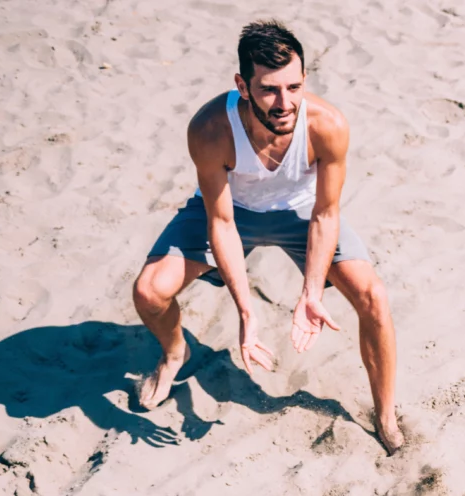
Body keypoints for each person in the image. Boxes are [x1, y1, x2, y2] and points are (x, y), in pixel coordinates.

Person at [133, 20, 403, 454]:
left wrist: (311, 292)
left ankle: (386, 413)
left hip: (300, 214)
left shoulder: (327, 125)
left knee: (373, 297)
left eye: (294, 87)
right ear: (243, 85)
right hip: (231, 211)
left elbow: (325, 212)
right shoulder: (210, 129)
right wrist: (246, 310)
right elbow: (220, 223)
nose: (284, 103)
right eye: (269, 90)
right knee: (149, 292)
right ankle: (174, 353)